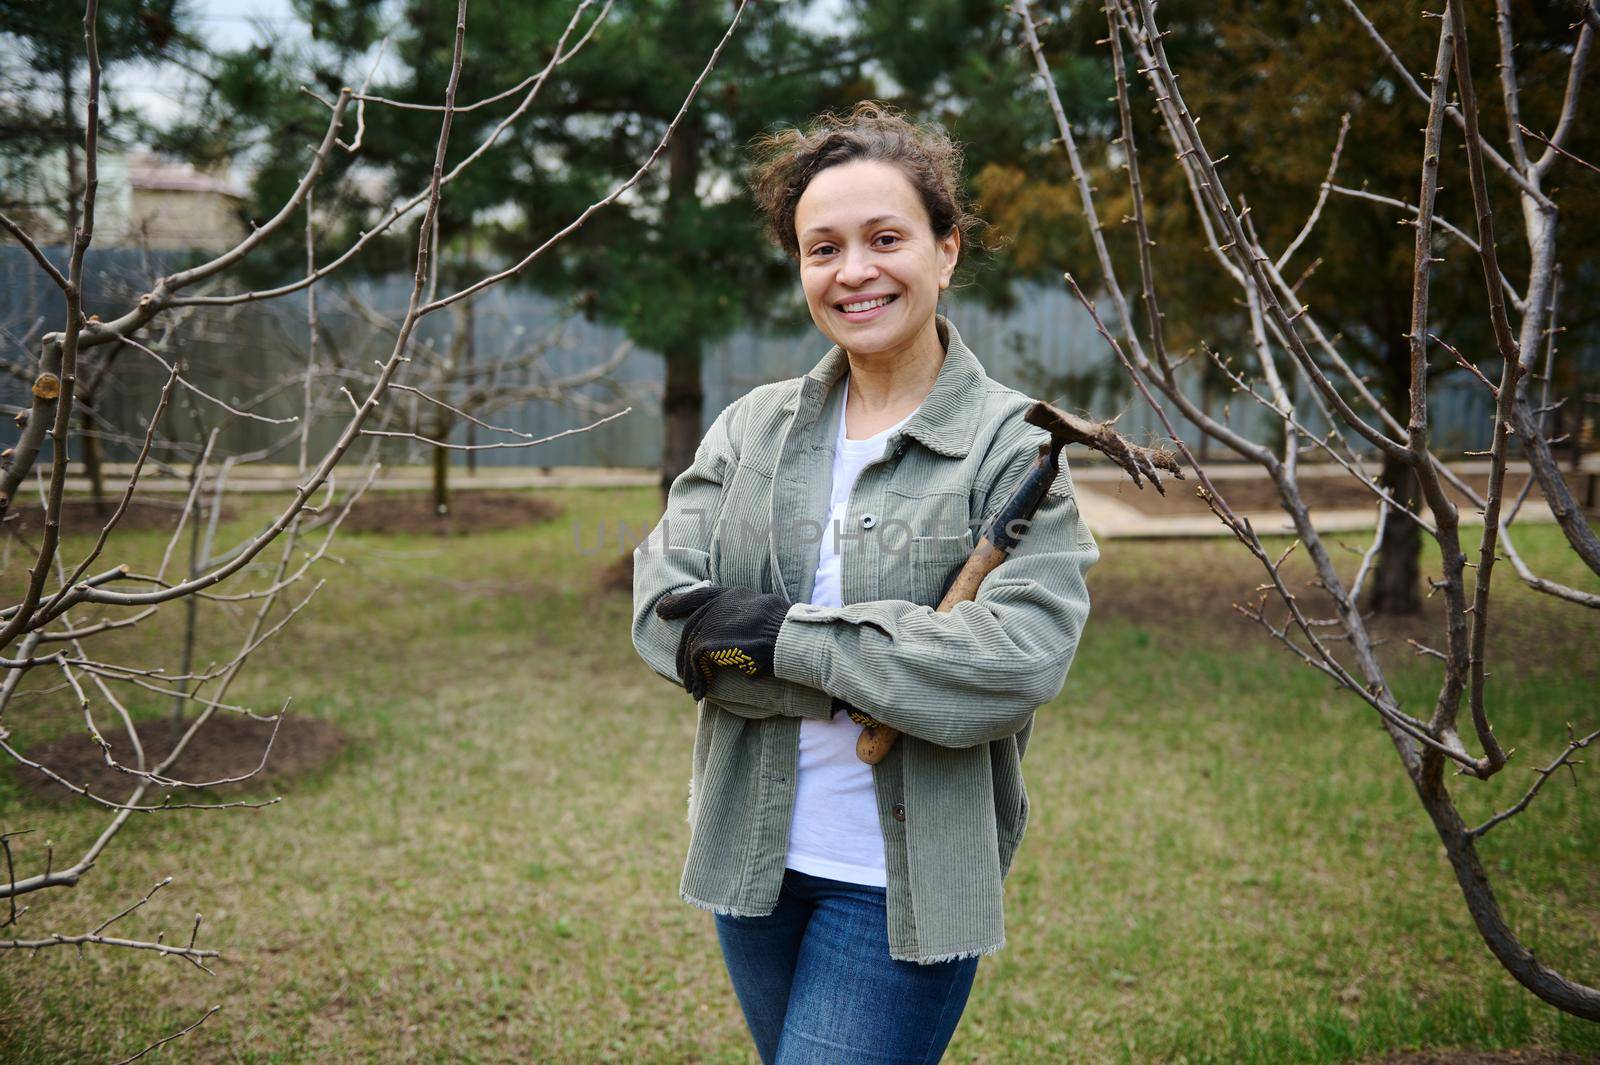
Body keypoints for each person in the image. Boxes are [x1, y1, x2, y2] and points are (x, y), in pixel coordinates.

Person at [630, 101, 1099, 1065]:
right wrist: (883, 667)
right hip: (752, 862)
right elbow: (663, 613)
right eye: (822, 247)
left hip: (899, 883)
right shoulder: (749, 431)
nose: (854, 271)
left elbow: (1012, 664)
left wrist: (773, 639)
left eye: (886, 238)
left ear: (947, 249)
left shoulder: (1014, 450)